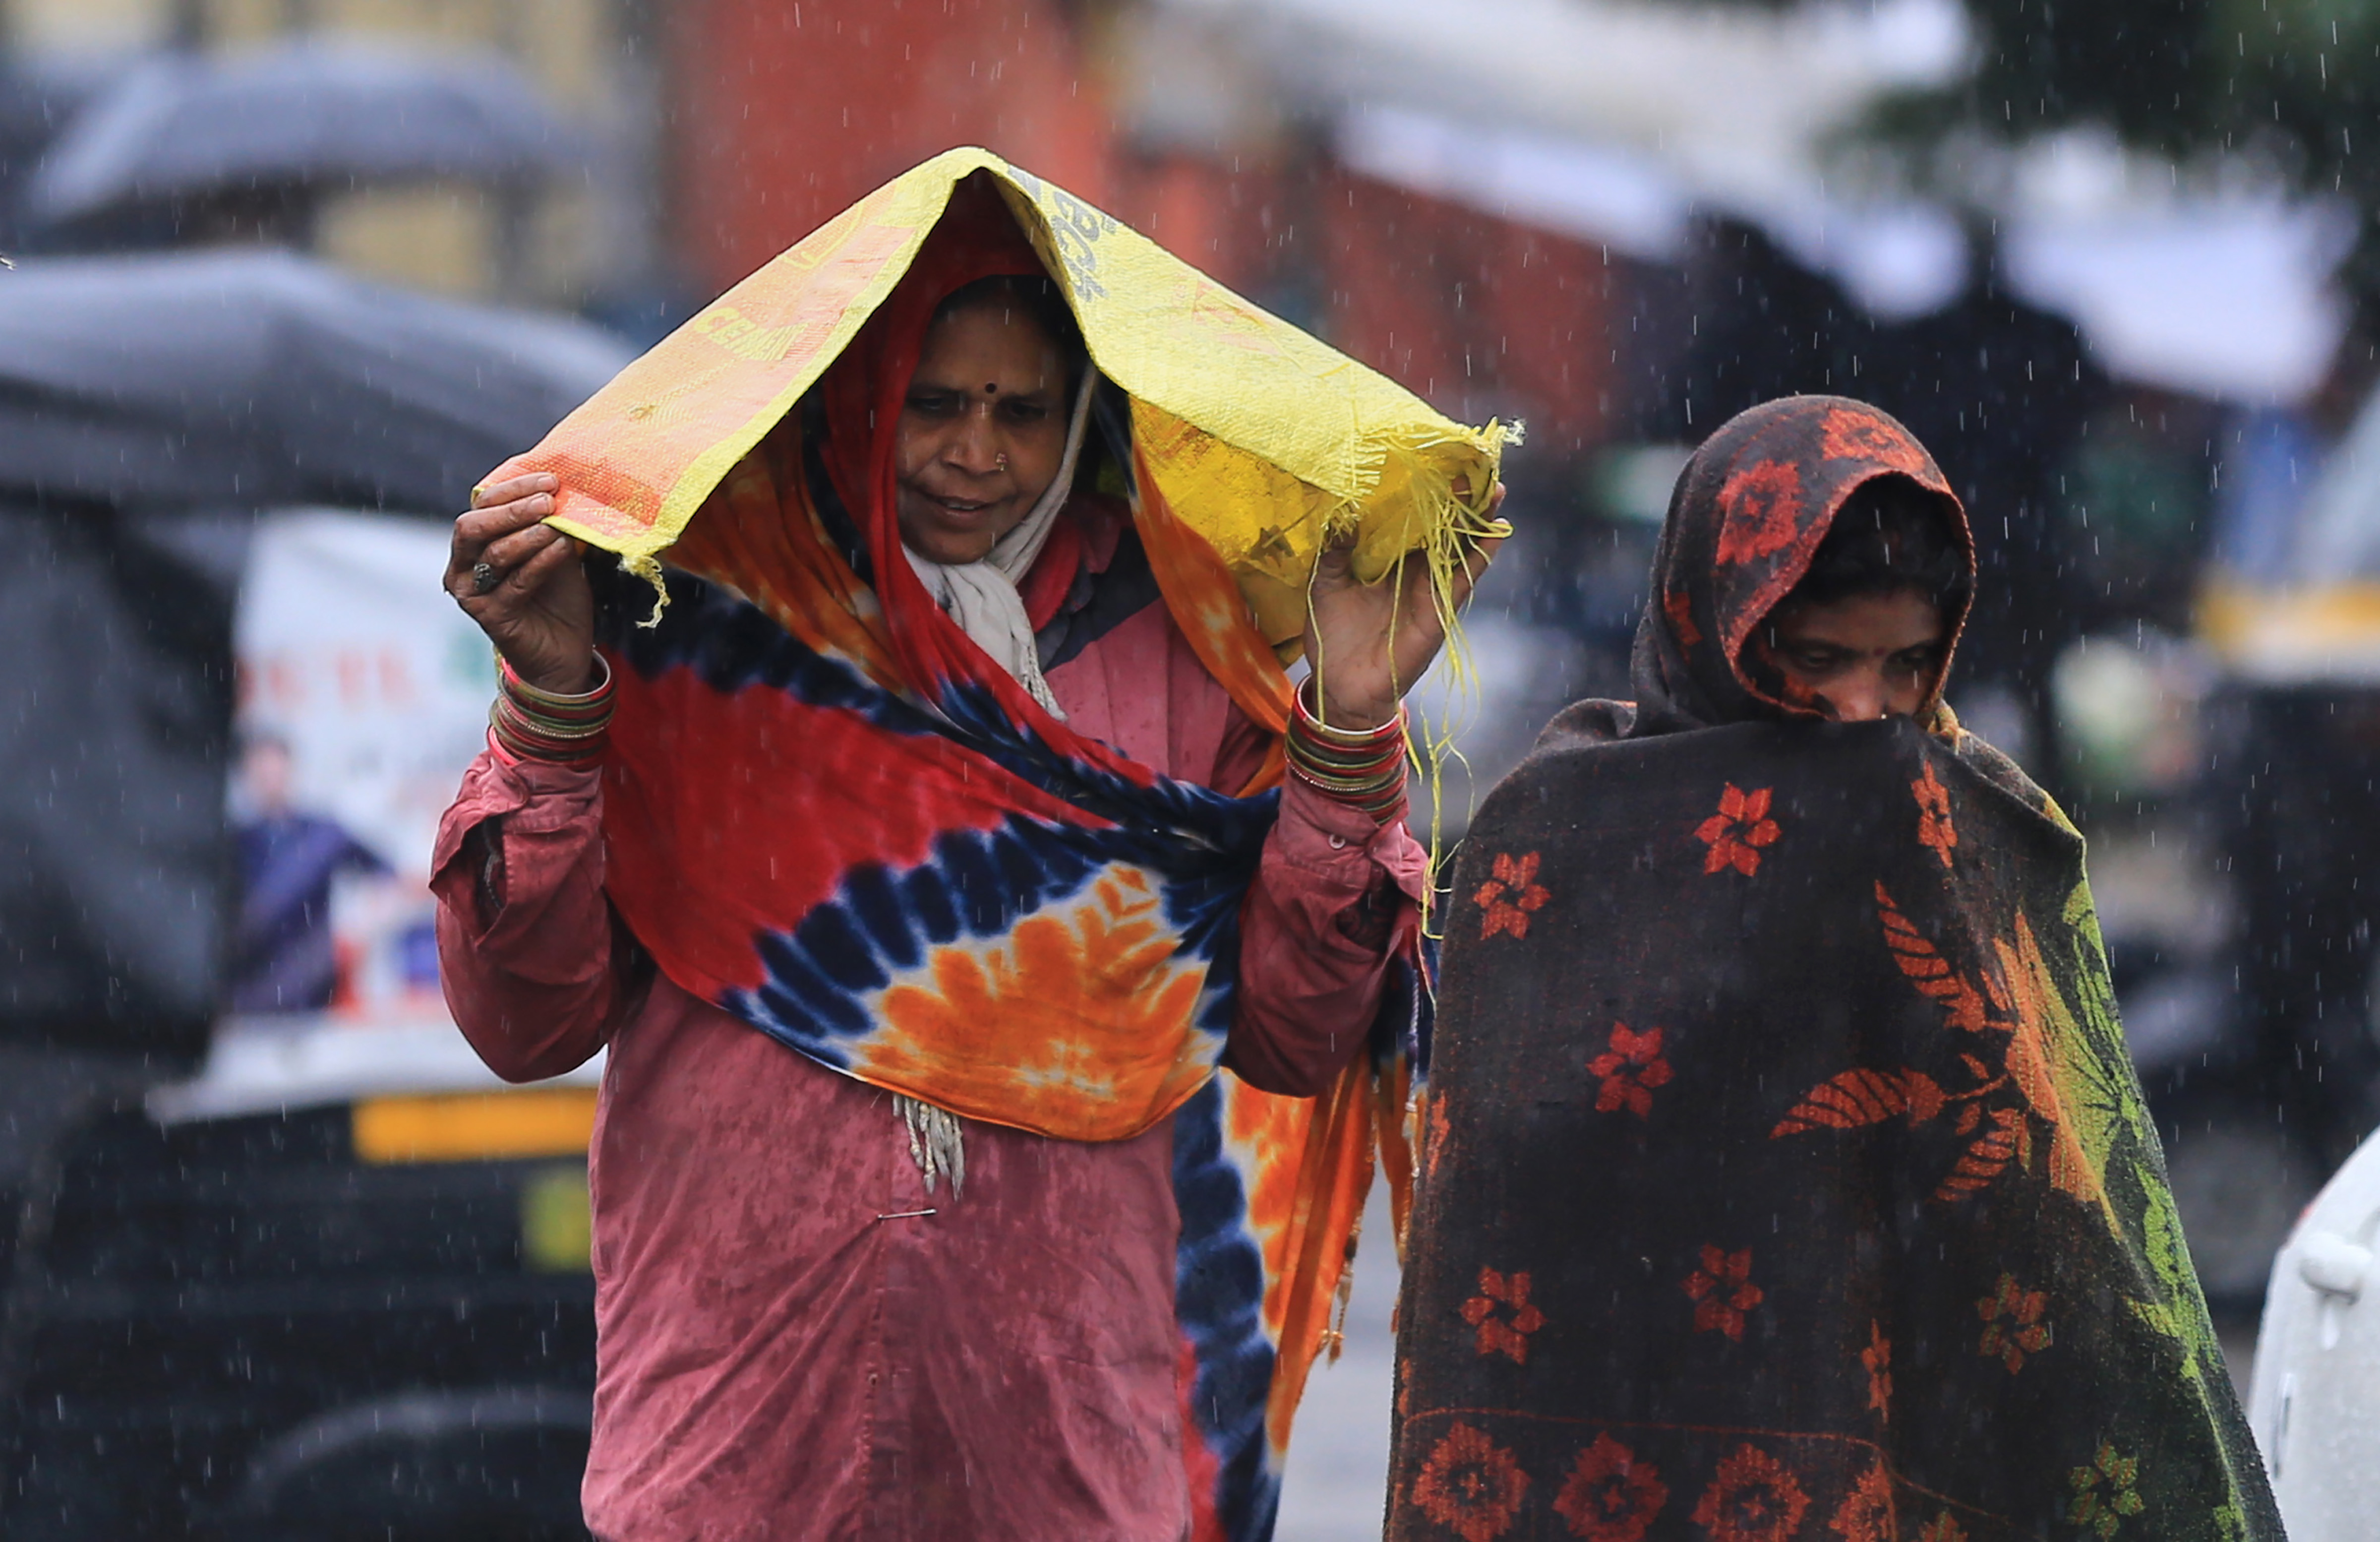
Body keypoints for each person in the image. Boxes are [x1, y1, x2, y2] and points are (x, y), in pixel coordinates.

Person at [434, 177, 1496, 1539]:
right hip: (742, 1436)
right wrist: (549, 707)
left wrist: (1348, 724)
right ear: (865, 391)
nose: (974, 451)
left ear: (1082, 422)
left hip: (1054, 1443)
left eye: (1020, 410)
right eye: (936, 402)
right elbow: (527, 1016)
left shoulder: (1184, 652)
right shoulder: (705, 630)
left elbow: (1296, 1031)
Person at [1386, 396, 2278, 1542]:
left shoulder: (1977, 830)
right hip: (1605, 1435)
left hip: (1904, 1443)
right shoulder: (1558, 840)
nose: (1865, 708)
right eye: (1817, 659)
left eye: (1904, 664)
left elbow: (2070, 1206)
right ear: (1715, 624)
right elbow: (1501, 1192)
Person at [227, 732, 389, 1014]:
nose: (270, 779)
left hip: (313, 984)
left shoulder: (321, 835)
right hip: (250, 988)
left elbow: (386, 875)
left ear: (289, 770)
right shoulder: (234, 842)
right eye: (261, 771)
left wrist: (368, 922)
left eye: (275, 769)